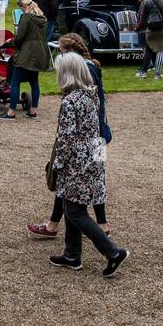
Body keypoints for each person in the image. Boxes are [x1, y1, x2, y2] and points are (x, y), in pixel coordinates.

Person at [47, 52, 128, 276]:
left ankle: (112, 252)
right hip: (91, 157)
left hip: (76, 162)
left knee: (74, 211)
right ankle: (72, 255)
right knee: (72, 206)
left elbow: (66, 138)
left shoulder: (70, 101)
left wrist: (57, 165)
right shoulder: (90, 95)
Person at [27, 34, 112, 240]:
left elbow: (94, 101)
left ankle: (95, 225)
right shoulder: (90, 64)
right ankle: (91, 224)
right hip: (97, 132)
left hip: (93, 134)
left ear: (69, 51)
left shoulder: (85, 68)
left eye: (62, 50)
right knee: (94, 179)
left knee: (77, 179)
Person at [0, 0, 48, 120]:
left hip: (26, 54)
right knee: (34, 82)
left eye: (21, 7)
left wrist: (9, 42)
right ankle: (32, 111)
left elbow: (19, 38)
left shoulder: (26, 17)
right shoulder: (42, 19)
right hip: (39, 53)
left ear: (25, 6)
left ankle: (11, 112)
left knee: (15, 81)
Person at [135, 0, 163, 80]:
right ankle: (157, 74)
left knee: (148, 49)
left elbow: (142, 18)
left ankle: (143, 72)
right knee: (160, 50)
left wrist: (138, 28)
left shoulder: (146, 3)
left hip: (150, 29)